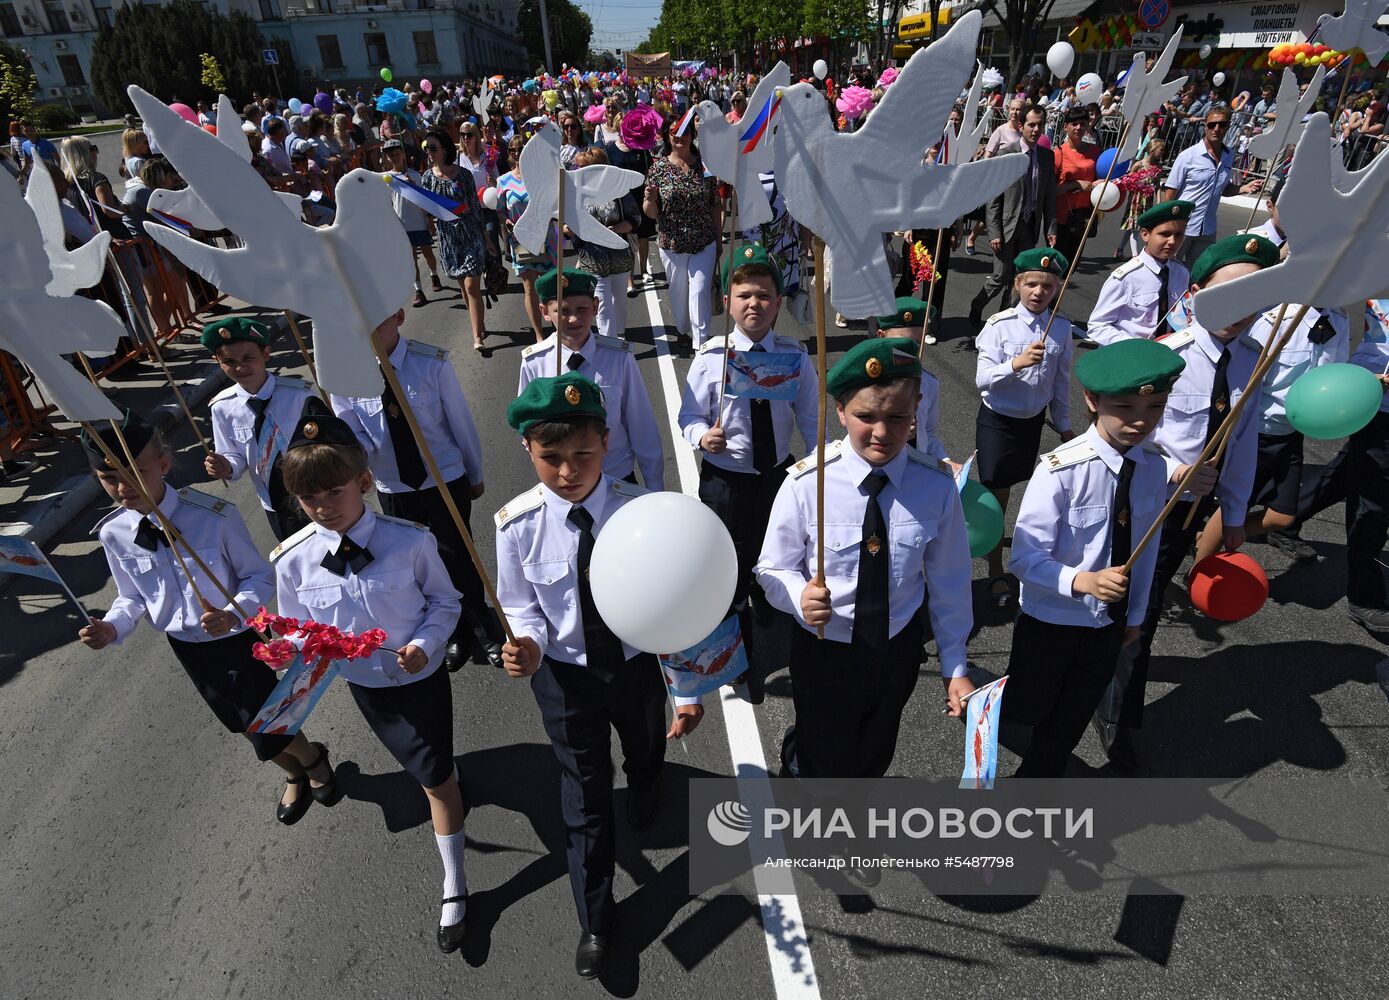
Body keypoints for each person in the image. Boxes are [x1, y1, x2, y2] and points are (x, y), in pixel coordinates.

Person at [496, 373, 705, 980]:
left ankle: (645, 782)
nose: (568, 471)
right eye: (551, 458)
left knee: (643, 746)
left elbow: (678, 601)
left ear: (606, 442)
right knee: (583, 795)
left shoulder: (644, 512)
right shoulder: (517, 525)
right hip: (565, 677)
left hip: (636, 667)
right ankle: (595, 915)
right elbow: (521, 604)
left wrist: (685, 688)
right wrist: (526, 646)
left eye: (583, 455)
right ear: (529, 451)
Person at [77, 410, 339, 826]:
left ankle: (310, 761)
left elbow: (257, 576)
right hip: (188, 647)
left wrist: (234, 611)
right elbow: (132, 598)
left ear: (163, 464)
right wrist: (112, 626)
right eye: (109, 478)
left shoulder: (213, 516)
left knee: (265, 718)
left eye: (136, 471)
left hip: (239, 638)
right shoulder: (113, 533)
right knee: (239, 722)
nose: (123, 487)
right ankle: (295, 767)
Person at [274, 412, 468, 952]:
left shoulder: (409, 542)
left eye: (334, 491)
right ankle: (447, 786)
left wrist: (425, 646)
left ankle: (454, 883)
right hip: (367, 688)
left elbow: (445, 601)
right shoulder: (293, 562)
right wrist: (286, 651)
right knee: (427, 768)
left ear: (363, 482)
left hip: (420, 678)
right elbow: (298, 629)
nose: (321, 507)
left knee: (433, 778)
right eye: (307, 498)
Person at [1094, 234, 1281, 770]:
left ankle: (1115, 711)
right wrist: (1175, 468)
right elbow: (1124, 431)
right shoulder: (1165, 358)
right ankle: (1109, 708)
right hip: (1142, 504)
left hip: (1193, 512)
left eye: (1251, 297)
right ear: (1195, 294)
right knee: (1128, 606)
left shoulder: (1252, 361)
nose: (1236, 310)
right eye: (1224, 295)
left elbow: (1243, 441)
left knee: (1141, 613)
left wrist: (1237, 512)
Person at [757, 338, 976, 784]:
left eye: (897, 417)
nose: (881, 431)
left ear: (916, 412)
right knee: (827, 756)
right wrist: (799, 595)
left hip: (896, 648)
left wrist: (955, 665)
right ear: (840, 412)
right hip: (825, 649)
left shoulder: (934, 486)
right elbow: (771, 567)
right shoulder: (807, 483)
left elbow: (950, 579)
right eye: (865, 416)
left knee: (876, 748)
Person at [1003, 339, 1184, 777]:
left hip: (1108, 623)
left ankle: (1033, 790)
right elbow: (1024, 558)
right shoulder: (1061, 469)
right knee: (1026, 711)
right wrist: (1081, 581)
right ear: (1092, 400)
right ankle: (988, 708)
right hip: (1052, 620)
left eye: (1156, 407)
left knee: (1071, 717)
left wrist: (1135, 616)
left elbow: (1147, 548)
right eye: (1124, 407)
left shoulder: (1154, 466)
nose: (1141, 421)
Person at [331, 307, 502, 672]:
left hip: (443, 478)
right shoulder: (346, 378)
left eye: (378, 318)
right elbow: (355, 437)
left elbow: (460, 422)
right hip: (394, 486)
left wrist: (475, 473)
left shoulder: (431, 364)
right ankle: (452, 631)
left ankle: (481, 628)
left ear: (399, 317)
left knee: (458, 555)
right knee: (421, 565)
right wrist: (356, 456)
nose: (370, 330)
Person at [679, 244, 821, 618]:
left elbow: (810, 416)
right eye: (744, 295)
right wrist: (702, 437)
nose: (753, 303)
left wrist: (816, 463)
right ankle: (733, 617)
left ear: (777, 304)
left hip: (777, 473)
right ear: (728, 301)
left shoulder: (793, 356)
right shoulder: (711, 358)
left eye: (763, 295)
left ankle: (768, 597)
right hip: (726, 478)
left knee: (779, 545)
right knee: (728, 555)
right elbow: (689, 416)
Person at [974, 249, 1076, 600]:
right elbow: (983, 379)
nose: (1038, 292)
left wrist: (1064, 425)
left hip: (1031, 424)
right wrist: (1015, 363)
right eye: (1031, 284)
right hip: (999, 423)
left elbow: (1060, 384)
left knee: (1025, 489)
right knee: (995, 497)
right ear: (1017, 284)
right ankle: (995, 569)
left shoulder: (1060, 329)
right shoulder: (999, 325)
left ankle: (1020, 549)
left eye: (1047, 287)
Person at [519, 268, 664, 488]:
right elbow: (528, 427)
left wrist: (654, 486)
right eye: (563, 310)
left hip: (615, 477)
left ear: (595, 307)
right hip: (565, 482)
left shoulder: (619, 358)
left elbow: (641, 425)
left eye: (582, 309)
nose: (574, 318)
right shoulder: (535, 363)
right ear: (545, 312)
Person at [968, 106, 1057, 327]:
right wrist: (994, 232)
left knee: (1019, 278)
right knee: (1001, 276)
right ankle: (977, 305)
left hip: (1029, 226)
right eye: (1031, 125)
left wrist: (1051, 229)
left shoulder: (1047, 157)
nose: (1036, 130)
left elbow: (1049, 197)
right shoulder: (1006, 155)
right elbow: (993, 199)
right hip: (1007, 228)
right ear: (1021, 126)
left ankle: (1002, 320)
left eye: (1040, 125)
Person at [643, 113, 721, 347]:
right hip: (672, 244)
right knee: (679, 295)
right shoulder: (658, 169)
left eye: (686, 131)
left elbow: (714, 204)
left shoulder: (706, 165)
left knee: (699, 291)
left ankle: (701, 344)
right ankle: (682, 328)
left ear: (692, 134)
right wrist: (650, 200)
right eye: (675, 132)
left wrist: (718, 241)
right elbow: (652, 213)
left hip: (703, 241)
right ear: (668, 135)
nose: (680, 136)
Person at [1162, 106, 1263, 265]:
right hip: (1182, 227)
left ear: (1228, 126)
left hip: (1207, 229)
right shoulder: (1188, 156)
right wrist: (1166, 226)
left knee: (1198, 273)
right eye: (1212, 125)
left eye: (1222, 124)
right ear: (1205, 126)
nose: (1216, 129)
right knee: (1167, 268)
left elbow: (1221, 189)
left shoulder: (1229, 156)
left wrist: (1243, 188)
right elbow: (1169, 194)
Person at [1087, 201, 1194, 345]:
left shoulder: (1182, 273)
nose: (1172, 241)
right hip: (1131, 358)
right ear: (1145, 234)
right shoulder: (1126, 277)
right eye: (1165, 234)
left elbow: (1184, 314)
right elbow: (1097, 325)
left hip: (1168, 353)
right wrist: (1136, 348)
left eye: (1179, 235)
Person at [421, 129, 490, 350]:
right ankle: (478, 321)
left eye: (433, 148)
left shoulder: (464, 175)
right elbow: (428, 209)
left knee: (471, 286)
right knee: (463, 285)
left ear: (445, 150)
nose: (429, 152)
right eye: (427, 148)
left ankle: (477, 337)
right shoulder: (427, 178)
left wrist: (486, 236)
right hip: (449, 239)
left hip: (470, 234)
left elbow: (476, 209)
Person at [569, 147, 640, 337]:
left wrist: (615, 229)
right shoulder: (575, 193)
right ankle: (610, 346)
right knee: (602, 306)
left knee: (620, 303)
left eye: (583, 167)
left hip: (619, 256)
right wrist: (568, 229)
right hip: (592, 259)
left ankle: (620, 335)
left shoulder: (617, 189)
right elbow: (566, 223)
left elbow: (635, 218)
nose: (578, 171)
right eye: (577, 167)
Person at [875, 297, 951, 463]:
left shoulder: (929, 383)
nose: (909, 351)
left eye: (917, 343)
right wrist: (894, 433)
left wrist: (944, 461)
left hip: (915, 469)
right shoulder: (866, 383)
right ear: (881, 336)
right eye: (901, 343)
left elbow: (928, 433)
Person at [497, 132, 550, 344]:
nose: (517, 154)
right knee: (530, 287)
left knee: (548, 283)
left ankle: (557, 325)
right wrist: (506, 221)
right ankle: (539, 334)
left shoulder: (540, 176)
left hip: (543, 235)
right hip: (519, 238)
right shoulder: (504, 180)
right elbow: (500, 210)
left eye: (521, 149)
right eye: (513, 150)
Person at [381, 139, 443, 307]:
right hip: (402, 225)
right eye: (391, 155)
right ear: (387, 158)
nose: (394, 158)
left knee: (428, 253)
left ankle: (434, 274)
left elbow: (424, 200)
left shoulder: (415, 175)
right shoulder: (386, 179)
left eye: (396, 154)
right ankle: (419, 290)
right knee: (411, 259)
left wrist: (429, 220)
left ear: (403, 154)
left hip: (419, 222)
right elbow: (387, 203)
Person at [1053, 105, 1100, 266]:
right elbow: (1050, 190)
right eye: (1074, 124)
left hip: (1084, 217)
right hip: (1062, 218)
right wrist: (1077, 184)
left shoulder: (1095, 152)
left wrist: (1101, 184)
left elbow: (1102, 177)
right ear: (1066, 126)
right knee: (1057, 265)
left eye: (1083, 124)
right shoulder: (1058, 153)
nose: (1079, 127)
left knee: (1073, 264)